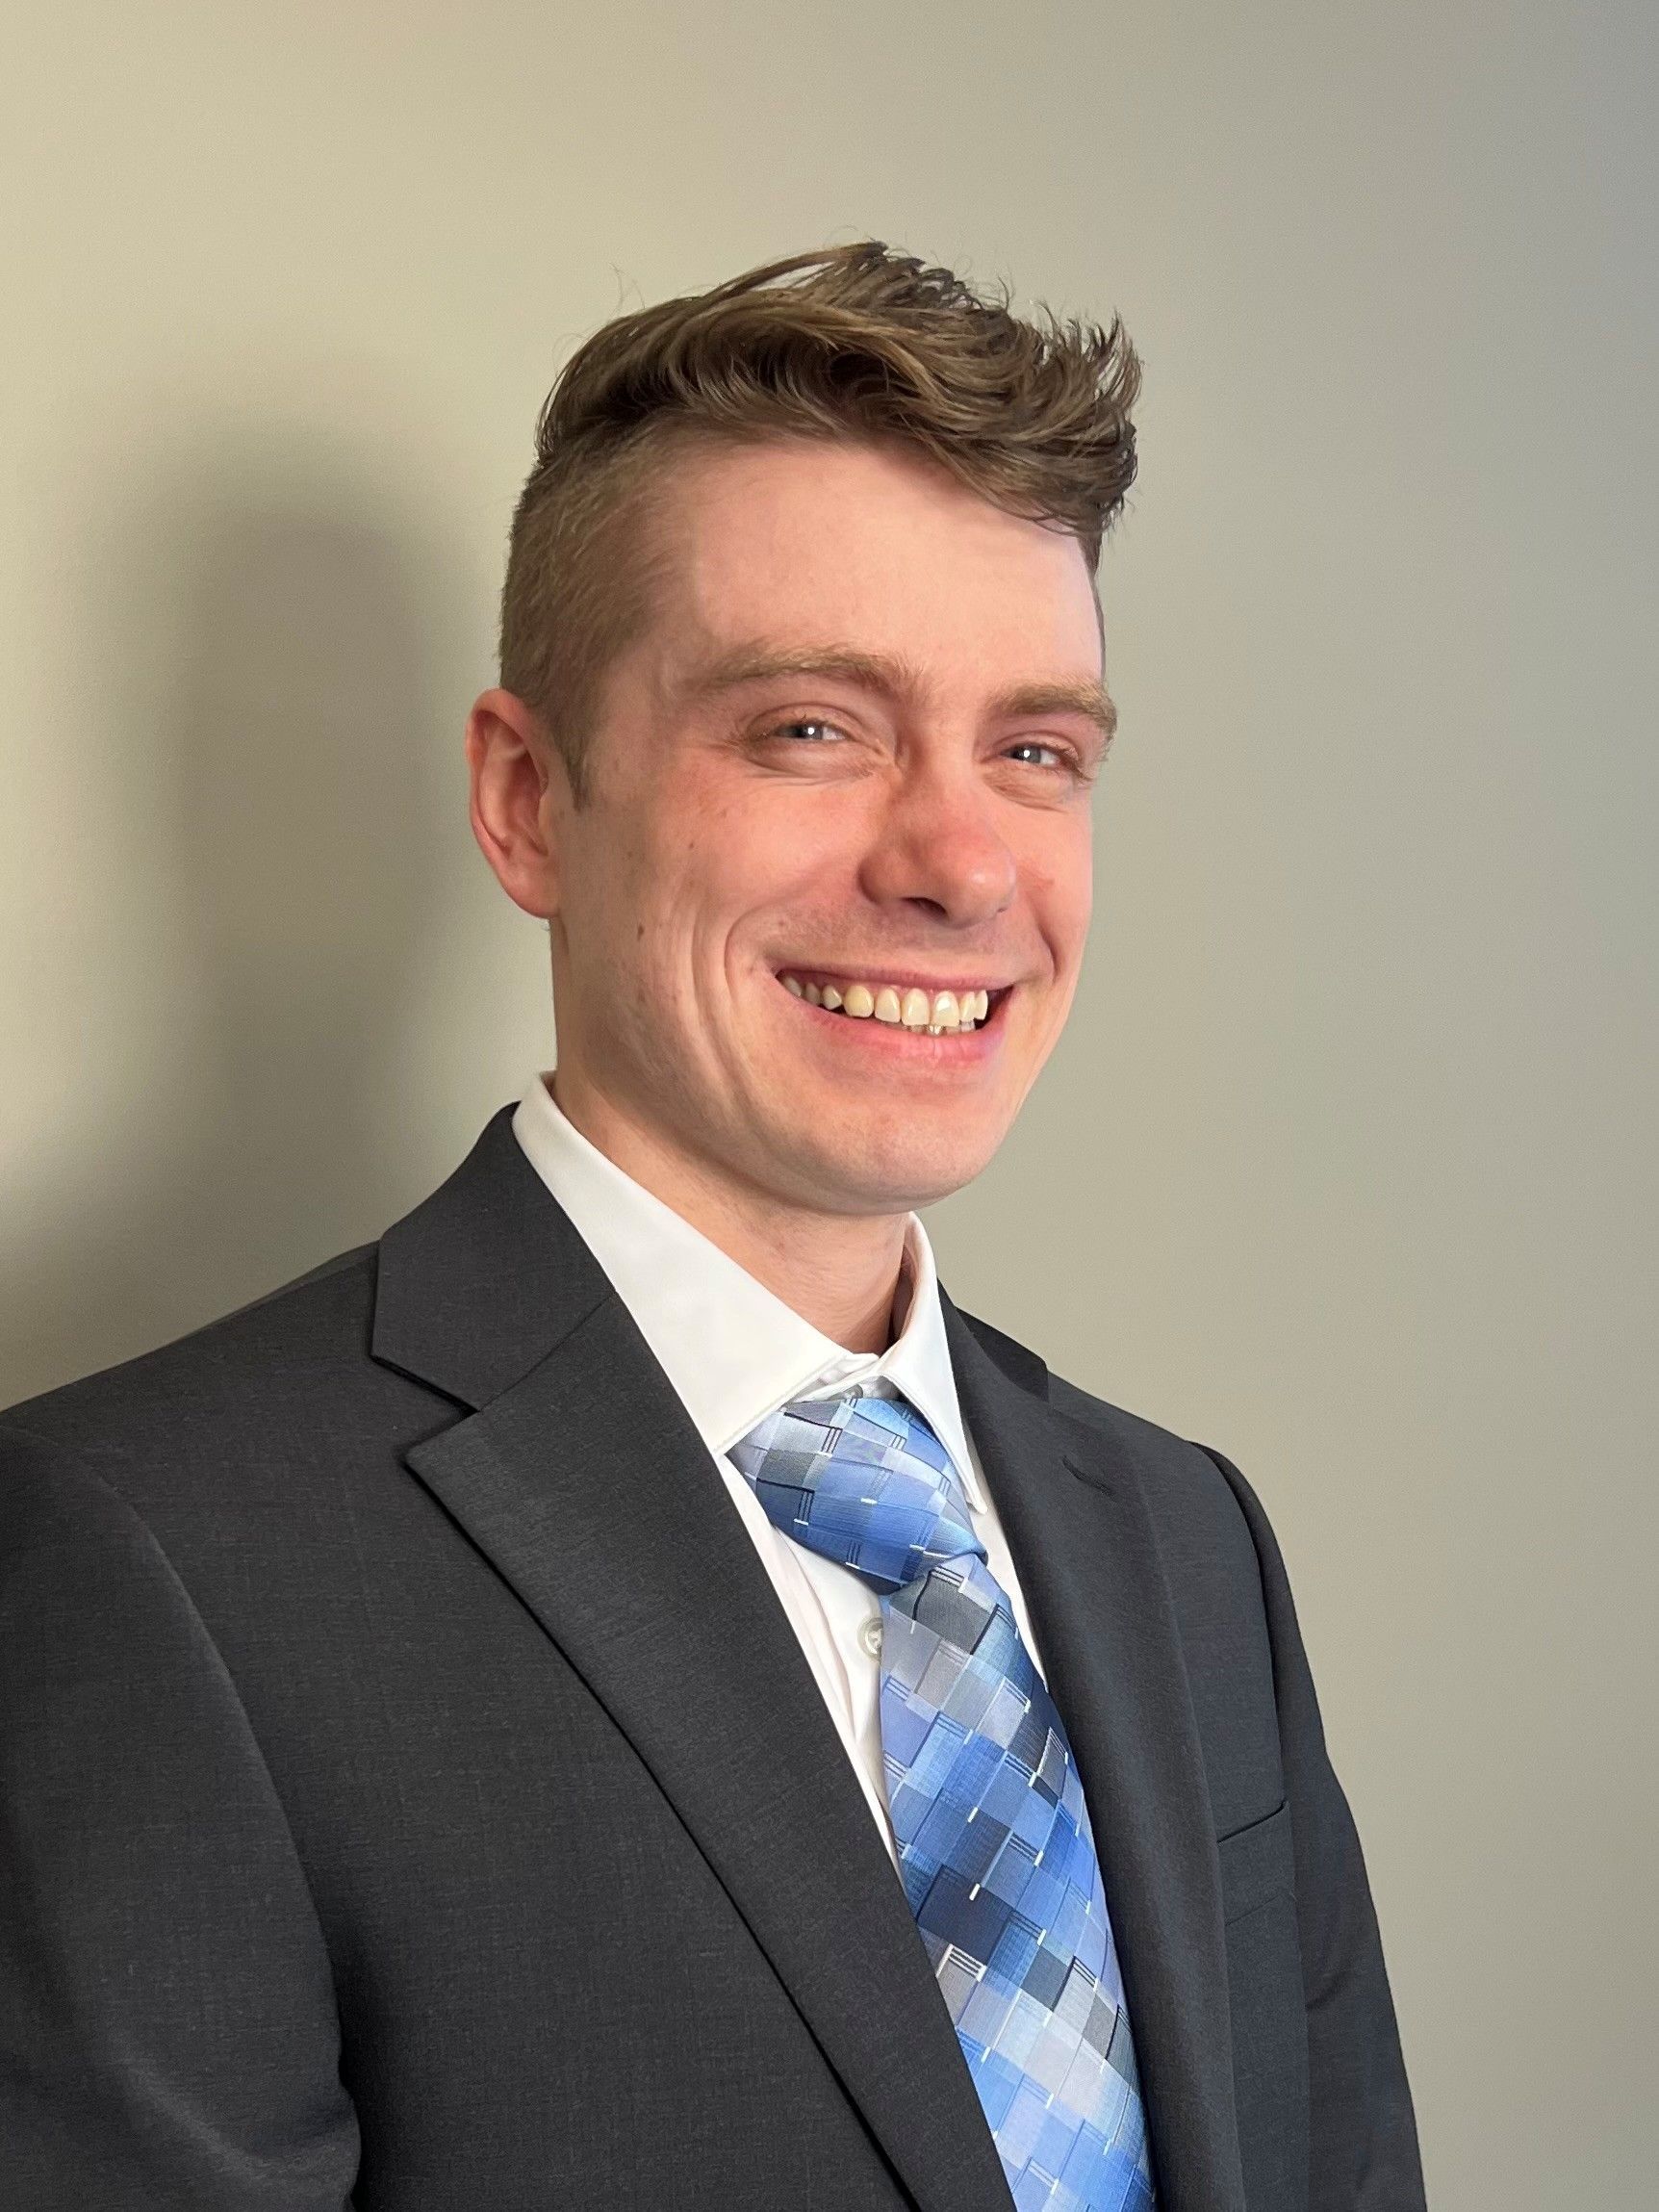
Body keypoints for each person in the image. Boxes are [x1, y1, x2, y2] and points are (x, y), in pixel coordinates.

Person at [0, 242, 1425, 2212]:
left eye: (1033, 751)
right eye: (811, 729)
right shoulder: (145, 1559)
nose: (958, 863)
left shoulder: (1187, 1546)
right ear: (528, 800)